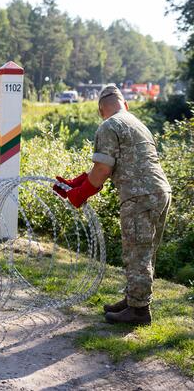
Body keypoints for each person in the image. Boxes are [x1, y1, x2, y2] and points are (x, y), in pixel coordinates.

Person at [54, 85, 171, 326]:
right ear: (124, 104)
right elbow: (107, 165)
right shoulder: (136, 122)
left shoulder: (109, 126)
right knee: (144, 251)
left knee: (136, 252)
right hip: (159, 193)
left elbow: (102, 170)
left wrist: (80, 195)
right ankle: (133, 300)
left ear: (100, 110)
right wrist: (76, 183)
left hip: (139, 195)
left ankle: (139, 311)